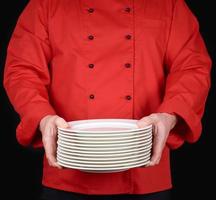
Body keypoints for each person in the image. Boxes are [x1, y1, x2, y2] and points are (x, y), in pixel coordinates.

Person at [4, 0, 211, 199]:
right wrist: (41, 116)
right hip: (67, 167)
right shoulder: (46, 3)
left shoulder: (168, 3)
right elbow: (23, 70)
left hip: (144, 173)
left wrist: (170, 115)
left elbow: (192, 68)